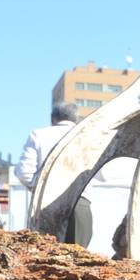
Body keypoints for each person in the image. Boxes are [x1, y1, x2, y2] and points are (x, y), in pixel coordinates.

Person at [15, 101, 92, 246]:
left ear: (53, 118)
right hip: (80, 202)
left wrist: (39, 190)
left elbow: (23, 172)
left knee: (45, 258)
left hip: (47, 203)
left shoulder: (38, 135)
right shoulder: (88, 136)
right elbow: (101, 174)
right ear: (76, 119)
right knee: (80, 261)